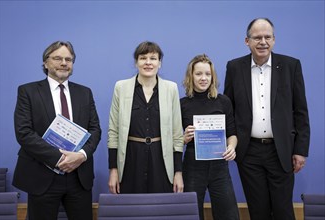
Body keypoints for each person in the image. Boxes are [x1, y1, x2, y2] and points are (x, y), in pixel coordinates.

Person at [224, 18, 310, 220]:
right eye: (257, 37)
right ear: (247, 41)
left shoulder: (291, 66)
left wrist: (300, 150)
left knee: (283, 210)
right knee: (258, 210)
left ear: (274, 39)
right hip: (249, 153)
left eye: (267, 37)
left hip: (282, 151)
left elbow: (301, 111)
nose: (263, 41)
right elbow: (229, 110)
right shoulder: (235, 67)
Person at [13, 41, 102, 220]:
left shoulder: (85, 93)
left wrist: (81, 155)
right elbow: (24, 133)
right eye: (58, 58)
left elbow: (95, 129)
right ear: (45, 63)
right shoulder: (28, 91)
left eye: (68, 59)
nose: (64, 63)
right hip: (42, 175)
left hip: (79, 176)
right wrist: (60, 158)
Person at [107, 41, 184, 194]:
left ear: (159, 63)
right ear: (136, 62)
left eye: (153, 58)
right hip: (130, 160)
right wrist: (113, 170)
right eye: (143, 58)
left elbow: (177, 134)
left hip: (161, 161)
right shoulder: (121, 88)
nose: (148, 62)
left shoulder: (171, 89)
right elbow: (113, 132)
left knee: (160, 209)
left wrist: (178, 172)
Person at [181, 54, 239, 220]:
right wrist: (185, 137)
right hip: (192, 166)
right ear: (191, 76)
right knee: (191, 214)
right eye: (198, 74)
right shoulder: (182, 104)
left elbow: (232, 133)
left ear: (212, 76)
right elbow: (175, 139)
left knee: (229, 215)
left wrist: (231, 147)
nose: (203, 78)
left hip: (219, 166)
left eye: (207, 74)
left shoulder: (223, 101)